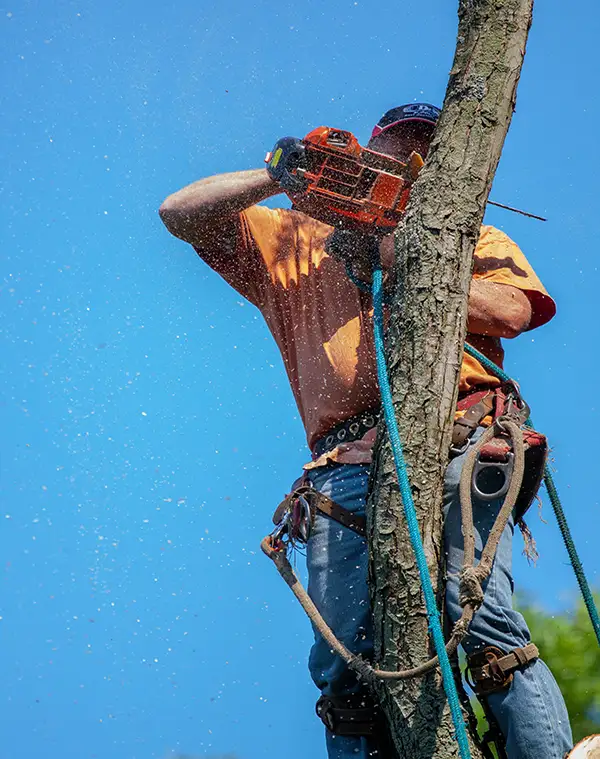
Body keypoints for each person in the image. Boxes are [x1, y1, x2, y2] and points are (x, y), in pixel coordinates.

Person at [159, 103, 573, 759]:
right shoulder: (294, 238)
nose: (408, 164)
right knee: (343, 664)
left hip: (461, 430)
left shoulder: (471, 240)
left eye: (425, 155)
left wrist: (407, 256)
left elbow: (515, 309)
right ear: (365, 155)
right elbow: (180, 213)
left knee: (475, 609)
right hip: (345, 464)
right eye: (396, 149)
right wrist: (281, 174)